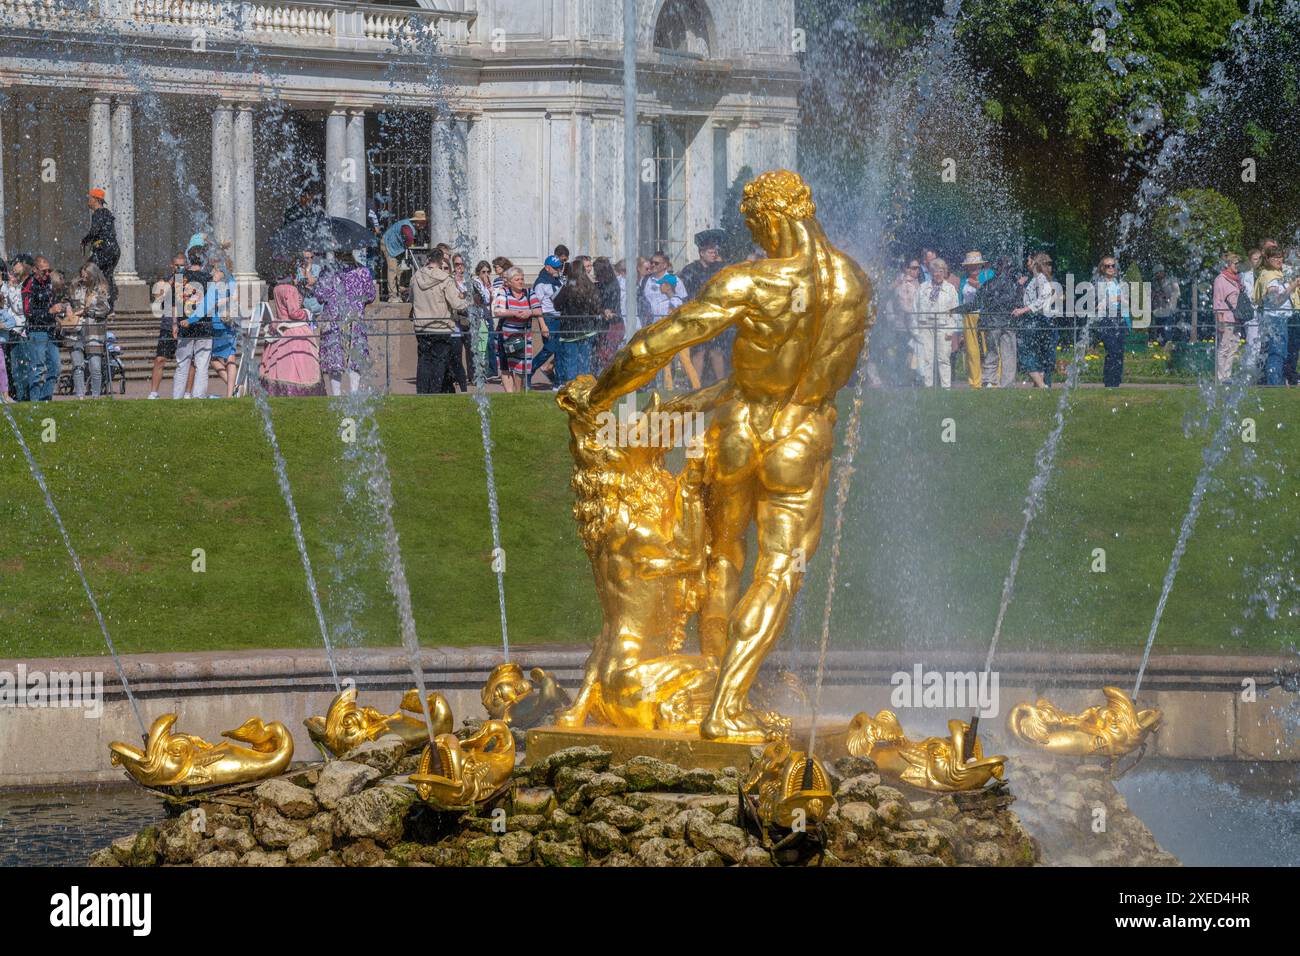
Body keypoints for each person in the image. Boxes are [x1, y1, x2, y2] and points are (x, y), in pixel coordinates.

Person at [316, 250, 376, 395]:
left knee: (335, 360)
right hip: (354, 320)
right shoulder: (362, 271)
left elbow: (319, 295)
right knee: (354, 360)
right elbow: (370, 295)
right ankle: (354, 394)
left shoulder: (328, 271)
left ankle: (336, 395)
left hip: (334, 322)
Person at [411, 247, 468, 394]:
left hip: (421, 327)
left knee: (423, 361)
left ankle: (422, 393)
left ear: (428, 260)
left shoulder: (416, 276)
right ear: (441, 260)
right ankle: (435, 393)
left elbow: (412, 298)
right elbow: (457, 304)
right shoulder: (445, 278)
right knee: (439, 363)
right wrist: (467, 302)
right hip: (441, 326)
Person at [680, 229, 729, 384]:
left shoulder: (720, 268)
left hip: (716, 315)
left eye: (715, 252)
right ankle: (696, 385)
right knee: (699, 351)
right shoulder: (691, 270)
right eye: (710, 251)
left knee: (717, 351)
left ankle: (721, 384)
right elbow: (685, 292)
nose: (714, 254)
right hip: (698, 316)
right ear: (701, 253)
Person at [259, 282, 325, 396]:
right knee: (298, 365)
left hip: (281, 327)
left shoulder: (277, 287)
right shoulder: (290, 289)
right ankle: (296, 392)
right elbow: (294, 313)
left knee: (278, 362)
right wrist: (307, 313)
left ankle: (277, 390)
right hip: (294, 329)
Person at [551, 259, 602, 386]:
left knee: (570, 361)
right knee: (585, 361)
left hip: (570, 330)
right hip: (587, 329)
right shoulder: (590, 286)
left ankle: (572, 388)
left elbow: (556, 305)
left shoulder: (567, 287)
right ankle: (584, 388)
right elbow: (596, 307)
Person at [66, 262, 112, 398]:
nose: (83, 279)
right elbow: (65, 301)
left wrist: (86, 311)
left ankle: (95, 397)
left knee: (95, 367)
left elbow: (105, 309)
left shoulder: (101, 290)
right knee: (78, 366)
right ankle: (80, 396)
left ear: (93, 276)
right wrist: (67, 307)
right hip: (75, 331)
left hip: (94, 332)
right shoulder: (75, 288)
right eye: (82, 276)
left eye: (86, 277)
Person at [1255, 247, 1299, 387]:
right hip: (1275, 319)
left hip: (1279, 318)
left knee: (1277, 352)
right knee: (1277, 354)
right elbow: (1275, 301)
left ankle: (1273, 382)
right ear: (1267, 259)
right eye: (1274, 257)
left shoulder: (1279, 273)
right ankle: (1274, 385)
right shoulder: (1270, 277)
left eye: (1280, 256)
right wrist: (1291, 287)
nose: (1279, 260)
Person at [173, 247, 214, 399]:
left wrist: (176, 323)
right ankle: (198, 397)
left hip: (185, 325)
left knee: (182, 364)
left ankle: (177, 398)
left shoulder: (180, 277)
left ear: (189, 260)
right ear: (203, 260)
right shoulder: (208, 278)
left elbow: (177, 304)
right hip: (204, 326)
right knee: (202, 365)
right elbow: (208, 305)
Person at [492, 267, 541, 393]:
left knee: (521, 367)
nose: (521, 281)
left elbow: (539, 310)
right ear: (509, 282)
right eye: (517, 279)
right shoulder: (504, 292)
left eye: (522, 279)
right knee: (506, 366)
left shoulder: (529, 292)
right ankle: (509, 394)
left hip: (524, 336)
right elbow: (498, 311)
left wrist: (529, 312)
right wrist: (514, 313)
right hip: (505, 335)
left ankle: (518, 393)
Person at [913, 257, 959, 388]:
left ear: (944, 272)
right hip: (925, 326)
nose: (937, 274)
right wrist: (916, 330)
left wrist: (950, 330)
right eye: (935, 271)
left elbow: (955, 312)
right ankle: (928, 387)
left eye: (940, 271)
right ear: (931, 272)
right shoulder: (922, 288)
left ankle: (945, 387)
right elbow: (915, 309)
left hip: (943, 326)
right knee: (927, 359)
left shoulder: (950, 289)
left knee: (943, 358)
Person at [977, 256, 1022, 388]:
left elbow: (983, 302)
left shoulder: (988, 284)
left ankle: (990, 380)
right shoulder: (1014, 284)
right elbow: (1018, 302)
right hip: (1004, 322)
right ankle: (1004, 383)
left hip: (996, 322)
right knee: (1005, 353)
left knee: (993, 352)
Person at [1015, 252, 1058, 388]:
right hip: (1036, 320)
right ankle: (1040, 385)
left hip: (1036, 320)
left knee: (1026, 353)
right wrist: (1021, 287)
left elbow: (1042, 299)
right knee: (1035, 353)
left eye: (1028, 261)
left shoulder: (1040, 278)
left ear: (1034, 262)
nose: (1026, 263)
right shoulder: (1034, 279)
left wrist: (1024, 310)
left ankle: (1041, 385)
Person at [19, 256, 57, 402]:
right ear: (35, 269)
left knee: (55, 366)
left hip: (50, 330)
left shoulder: (48, 283)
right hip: (36, 331)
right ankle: (35, 402)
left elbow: (54, 300)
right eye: (44, 271)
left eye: (49, 271)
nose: (47, 274)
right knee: (38, 369)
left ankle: (45, 399)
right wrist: (49, 312)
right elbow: (28, 312)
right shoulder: (29, 284)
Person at [148, 254, 186, 399]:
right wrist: (170, 283)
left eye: (182, 265)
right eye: (177, 265)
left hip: (185, 325)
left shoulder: (189, 281)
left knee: (188, 361)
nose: (179, 268)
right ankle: (153, 393)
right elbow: (157, 298)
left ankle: (188, 393)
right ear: (172, 265)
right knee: (160, 359)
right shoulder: (166, 280)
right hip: (168, 324)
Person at [957, 251, 994, 387]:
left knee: (989, 348)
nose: (974, 268)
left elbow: (991, 296)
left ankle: (991, 380)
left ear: (981, 265)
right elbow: (961, 301)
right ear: (966, 267)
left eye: (976, 265)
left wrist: (978, 286)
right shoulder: (963, 280)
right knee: (972, 351)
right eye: (971, 266)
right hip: (968, 316)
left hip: (984, 315)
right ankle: (975, 382)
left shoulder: (989, 275)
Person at [1093, 255, 1129, 388]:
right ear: (1102, 268)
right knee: (1112, 350)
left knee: (1119, 352)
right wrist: (1116, 299)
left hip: (1119, 319)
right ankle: (1109, 382)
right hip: (1106, 320)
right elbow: (1100, 304)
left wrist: (1118, 299)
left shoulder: (1117, 283)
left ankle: (1116, 383)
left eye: (1113, 265)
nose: (1111, 268)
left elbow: (1126, 301)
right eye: (1108, 266)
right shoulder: (1099, 283)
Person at [82, 187, 120, 311]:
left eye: (90, 198)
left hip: (104, 249)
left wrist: (85, 240)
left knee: (87, 270)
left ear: (95, 200)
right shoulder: (108, 213)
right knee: (107, 275)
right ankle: (109, 304)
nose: (88, 201)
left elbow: (95, 231)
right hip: (114, 249)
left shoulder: (98, 213)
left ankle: (89, 300)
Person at [529, 254, 564, 389]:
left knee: (559, 350)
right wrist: (543, 325)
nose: (558, 270)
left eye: (559, 268)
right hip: (547, 318)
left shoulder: (558, 280)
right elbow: (536, 306)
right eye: (555, 268)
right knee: (550, 348)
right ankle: (530, 370)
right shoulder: (541, 283)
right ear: (547, 268)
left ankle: (558, 381)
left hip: (559, 318)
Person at [1212, 253, 1245, 384]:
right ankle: (1221, 377)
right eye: (1235, 263)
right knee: (1224, 347)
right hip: (1225, 318)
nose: (1238, 266)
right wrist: (1220, 320)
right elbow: (1218, 301)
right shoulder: (1221, 279)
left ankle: (1228, 375)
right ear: (1228, 264)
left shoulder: (1236, 280)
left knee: (1234, 347)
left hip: (1236, 318)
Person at [381, 210, 426, 302]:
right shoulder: (407, 227)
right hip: (388, 244)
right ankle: (392, 296)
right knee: (392, 269)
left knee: (400, 271)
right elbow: (409, 238)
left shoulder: (412, 227)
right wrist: (410, 243)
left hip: (397, 247)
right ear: (417, 222)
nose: (424, 224)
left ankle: (401, 293)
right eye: (422, 222)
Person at [591, 256, 623, 376]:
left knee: (606, 355)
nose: (595, 274)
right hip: (606, 325)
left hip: (613, 325)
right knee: (601, 354)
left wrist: (605, 311)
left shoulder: (611, 285)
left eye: (596, 271)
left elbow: (610, 308)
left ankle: (609, 380)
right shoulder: (603, 284)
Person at [0, 261, 26, 401]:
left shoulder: (10, 288)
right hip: (10, 334)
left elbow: (13, 314)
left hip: (15, 333)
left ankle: (11, 395)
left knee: (8, 368)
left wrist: (3, 325)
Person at [471, 260, 498, 383]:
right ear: (478, 272)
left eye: (488, 272)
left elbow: (491, 300)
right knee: (481, 345)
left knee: (491, 343)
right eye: (483, 272)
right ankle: (480, 372)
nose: (486, 274)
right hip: (479, 317)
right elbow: (480, 299)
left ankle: (492, 371)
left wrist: (490, 290)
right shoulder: (476, 283)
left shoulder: (488, 284)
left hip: (488, 316)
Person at [1240, 248, 1263, 379]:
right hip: (1251, 312)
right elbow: (1249, 295)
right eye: (1255, 259)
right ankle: (1247, 375)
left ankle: (1251, 372)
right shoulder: (1246, 274)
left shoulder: (1257, 273)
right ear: (1249, 260)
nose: (1258, 261)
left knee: (1257, 343)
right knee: (1252, 342)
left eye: (1259, 258)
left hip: (1258, 312)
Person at [1151, 267, 1180, 346]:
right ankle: (1161, 349)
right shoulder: (1155, 283)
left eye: (1158, 273)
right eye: (1156, 273)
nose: (1157, 275)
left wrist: (1171, 305)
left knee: (1167, 332)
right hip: (1158, 311)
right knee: (1159, 332)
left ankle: (1167, 349)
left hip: (1168, 311)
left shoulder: (1171, 281)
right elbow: (1152, 296)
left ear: (1162, 272)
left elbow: (1177, 293)